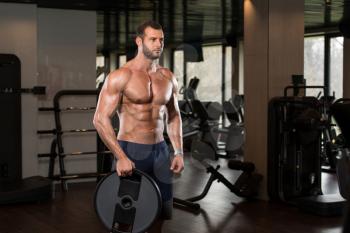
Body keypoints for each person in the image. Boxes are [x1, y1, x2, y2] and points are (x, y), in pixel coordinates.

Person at [93, 20, 184, 233]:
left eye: (161, 39)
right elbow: (99, 118)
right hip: (131, 150)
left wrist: (178, 151)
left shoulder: (168, 76)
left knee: (161, 212)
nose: (158, 44)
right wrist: (120, 156)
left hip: (160, 152)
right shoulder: (121, 76)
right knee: (126, 216)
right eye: (152, 39)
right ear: (139, 41)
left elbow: (173, 116)